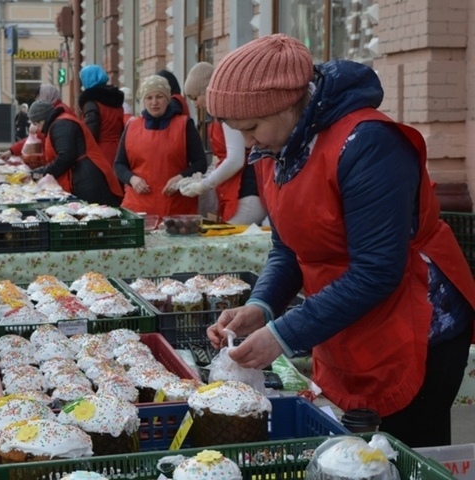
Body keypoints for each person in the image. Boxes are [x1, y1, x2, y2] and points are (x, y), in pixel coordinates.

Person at [205, 34, 475, 448]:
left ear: (286, 104)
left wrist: (282, 335)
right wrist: (261, 306)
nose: (249, 143)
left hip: (415, 322)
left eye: (251, 128)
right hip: (350, 323)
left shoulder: (367, 143)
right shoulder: (276, 151)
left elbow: (376, 270)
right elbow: (288, 247)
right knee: (354, 452)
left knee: (401, 453)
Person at [180, 61, 267, 225]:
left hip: (246, 191)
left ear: (207, 91)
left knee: (229, 243)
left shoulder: (226, 112)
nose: (195, 103)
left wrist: (204, 184)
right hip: (241, 190)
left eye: (195, 97)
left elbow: (235, 159)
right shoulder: (220, 115)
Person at [113, 74, 207, 217]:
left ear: (168, 99)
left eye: (159, 97)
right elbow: (119, 165)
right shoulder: (132, 126)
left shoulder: (184, 125)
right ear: (143, 101)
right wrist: (132, 179)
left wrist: (180, 177)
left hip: (176, 209)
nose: (154, 102)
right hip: (138, 208)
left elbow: (201, 163)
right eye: (149, 98)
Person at [28, 98, 123, 207]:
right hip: (86, 177)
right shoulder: (60, 123)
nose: (37, 129)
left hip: (89, 180)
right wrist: (38, 172)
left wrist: (43, 173)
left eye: (36, 123)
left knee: (96, 215)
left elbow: (66, 157)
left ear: (42, 120)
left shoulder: (61, 125)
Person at [0, 84, 70, 161]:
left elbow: (64, 155)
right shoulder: (56, 111)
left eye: (39, 99)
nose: (38, 102)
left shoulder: (58, 114)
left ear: (46, 96)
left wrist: (47, 169)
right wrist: (12, 151)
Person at [78, 64, 124, 165]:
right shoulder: (116, 99)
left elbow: (91, 130)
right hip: (118, 149)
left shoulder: (91, 103)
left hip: (100, 150)